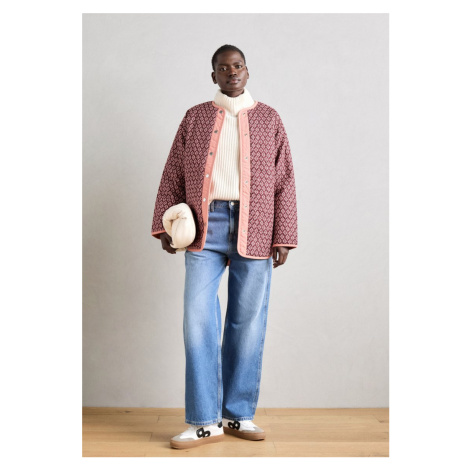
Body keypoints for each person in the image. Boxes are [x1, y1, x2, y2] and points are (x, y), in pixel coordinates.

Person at [151, 44, 298, 449]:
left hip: (257, 225)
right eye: (223, 67)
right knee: (198, 319)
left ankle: (238, 414)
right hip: (204, 226)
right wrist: (163, 224)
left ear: (247, 71)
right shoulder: (195, 117)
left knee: (247, 323)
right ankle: (204, 421)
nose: (232, 72)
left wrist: (284, 234)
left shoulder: (270, 119)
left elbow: (284, 178)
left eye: (238, 66)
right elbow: (173, 171)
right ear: (213, 75)